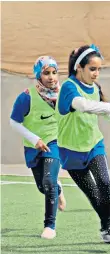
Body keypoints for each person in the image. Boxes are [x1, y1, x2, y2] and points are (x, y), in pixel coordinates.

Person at [56, 44, 110, 245]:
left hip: (93, 145)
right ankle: (109, 225)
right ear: (79, 68)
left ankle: (107, 227)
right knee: (93, 194)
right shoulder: (68, 87)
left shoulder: (95, 87)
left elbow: (100, 108)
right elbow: (83, 105)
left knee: (105, 183)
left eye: (99, 69)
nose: (96, 73)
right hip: (70, 150)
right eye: (92, 69)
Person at [10, 56, 66, 239]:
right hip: (33, 145)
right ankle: (59, 189)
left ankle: (50, 226)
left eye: (54, 72)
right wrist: (34, 139)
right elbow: (14, 122)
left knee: (49, 182)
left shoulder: (63, 94)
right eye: (46, 73)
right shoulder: (26, 97)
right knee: (44, 187)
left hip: (55, 142)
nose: (51, 77)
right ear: (38, 75)